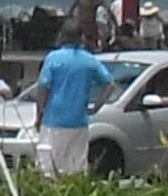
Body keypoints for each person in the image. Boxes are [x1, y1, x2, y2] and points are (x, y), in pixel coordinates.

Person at [34, 26, 113, 176]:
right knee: (75, 166)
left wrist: (39, 115)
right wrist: (97, 106)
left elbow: (43, 87)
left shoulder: (54, 57)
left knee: (48, 166)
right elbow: (110, 84)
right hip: (79, 120)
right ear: (81, 38)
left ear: (62, 37)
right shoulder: (90, 60)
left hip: (54, 118)